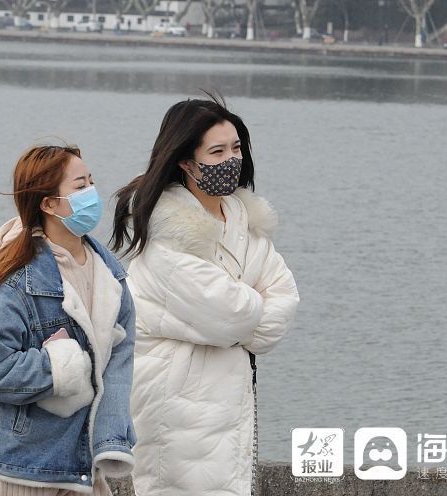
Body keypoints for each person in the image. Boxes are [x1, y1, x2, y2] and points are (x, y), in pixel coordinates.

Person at [111, 96, 300, 496]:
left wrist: (245, 312)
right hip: (176, 408)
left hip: (228, 404)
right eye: (217, 151)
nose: (231, 159)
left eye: (236, 149)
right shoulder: (163, 238)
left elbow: (282, 302)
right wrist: (250, 307)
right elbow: (231, 316)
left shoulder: (245, 222)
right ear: (184, 161)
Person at [0, 145, 136, 496]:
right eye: (79, 186)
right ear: (48, 204)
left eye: (92, 182)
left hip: (80, 468)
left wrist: (112, 439)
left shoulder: (111, 276)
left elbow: (120, 360)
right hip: (17, 470)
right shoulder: (18, 279)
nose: (92, 193)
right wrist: (63, 369)